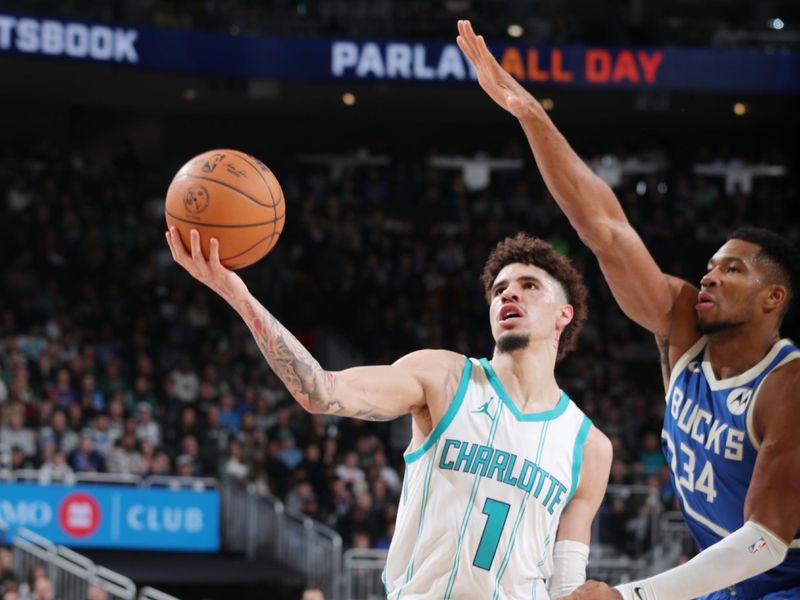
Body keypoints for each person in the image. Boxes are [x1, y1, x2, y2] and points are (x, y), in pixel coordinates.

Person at [455, 19, 800, 600]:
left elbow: (765, 539)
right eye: (712, 264)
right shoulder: (683, 325)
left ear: (774, 298)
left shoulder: (787, 386)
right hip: (729, 580)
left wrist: (630, 596)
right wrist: (530, 115)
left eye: (733, 269)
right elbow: (607, 231)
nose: (710, 275)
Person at [166, 220, 612, 598]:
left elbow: (567, 583)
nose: (507, 296)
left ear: (564, 314)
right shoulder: (444, 377)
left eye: (528, 286)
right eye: (499, 290)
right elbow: (320, 391)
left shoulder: (588, 445)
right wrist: (238, 295)